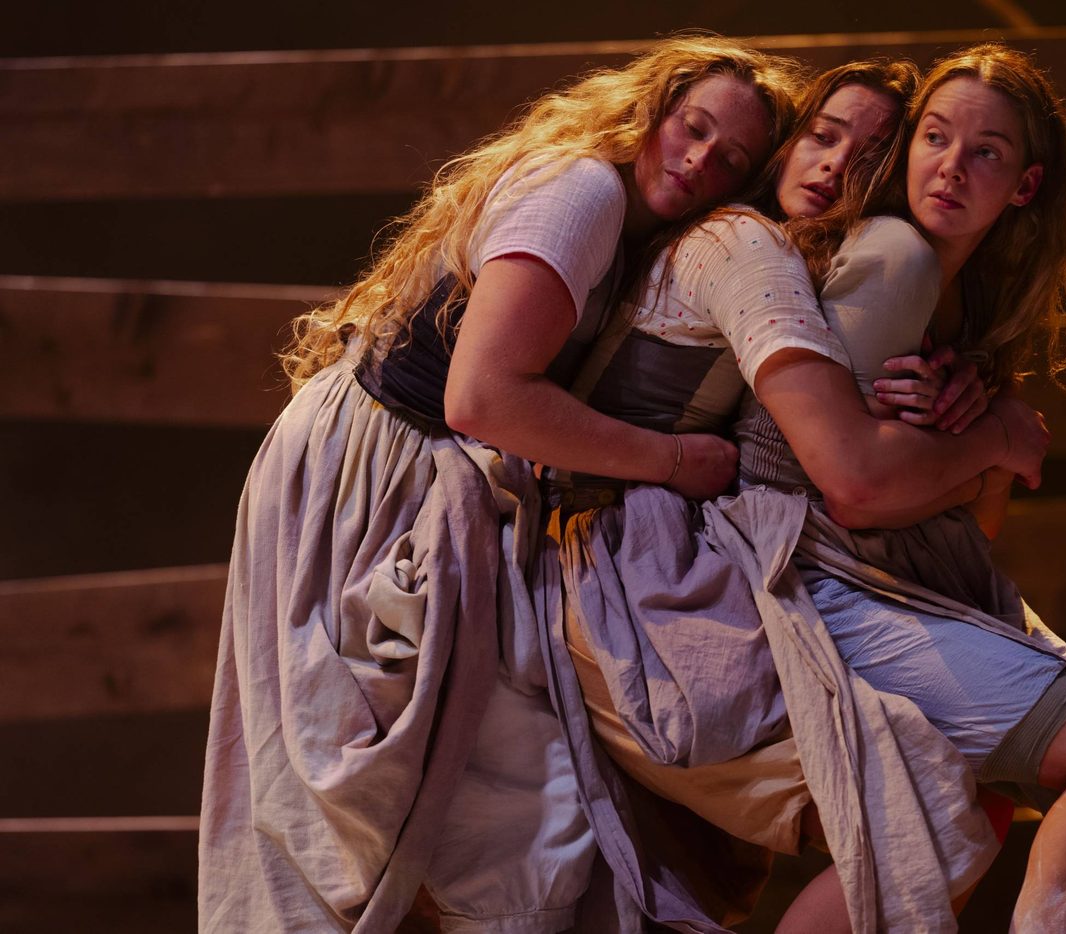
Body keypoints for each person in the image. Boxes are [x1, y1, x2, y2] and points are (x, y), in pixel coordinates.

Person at [543, 45, 1066, 934]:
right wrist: (988, 444)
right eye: (935, 139)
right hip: (809, 567)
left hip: (863, 565)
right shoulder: (888, 256)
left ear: (1024, 186)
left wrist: (977, 442)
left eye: (985, 152)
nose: (950, 167)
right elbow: (847, 489)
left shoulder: (958, 304)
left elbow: (975, 524)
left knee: (1010, 805)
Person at [197, 35, 802, 933]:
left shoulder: (629, 223)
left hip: (421, 467)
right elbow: (482, 396)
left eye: (733, 158)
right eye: (694, 126)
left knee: (510, 787)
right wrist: (673, 462)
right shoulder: (584, 192)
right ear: (650, 110)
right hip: (378, 464)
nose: (701, 159)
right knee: (367, 774)